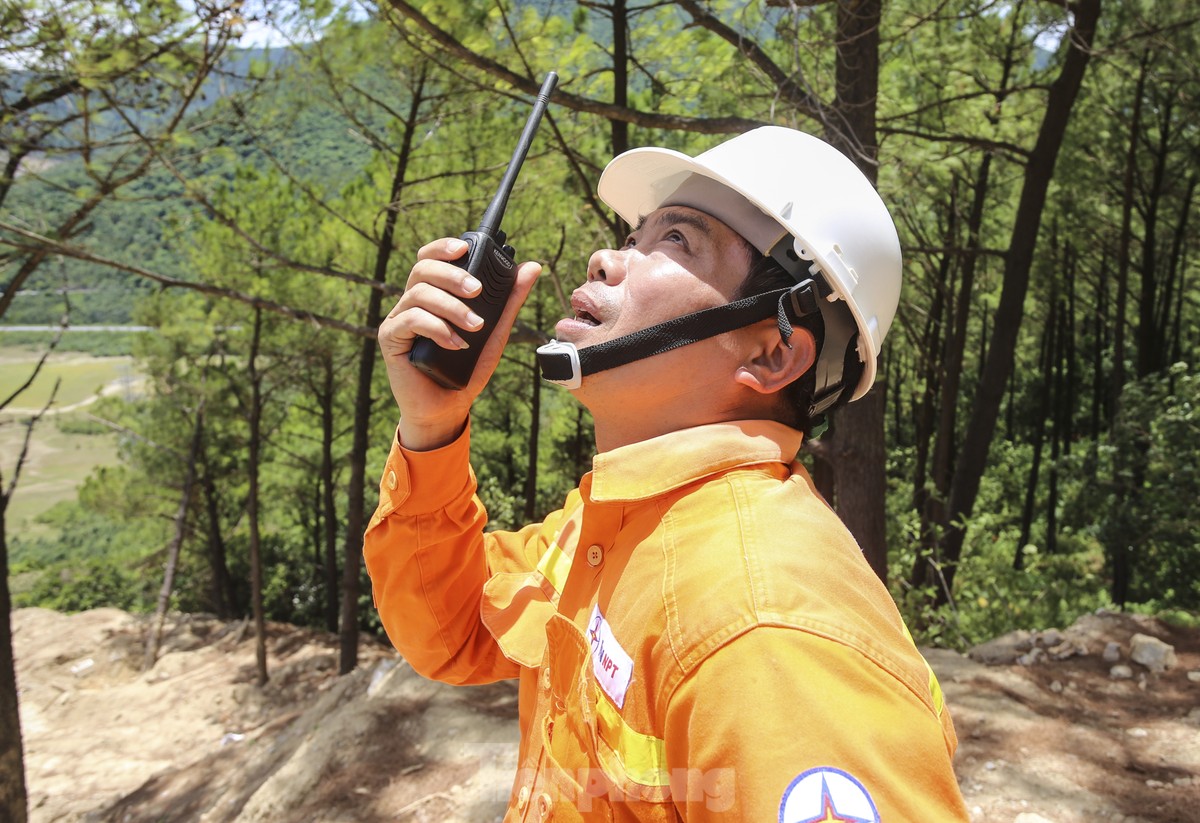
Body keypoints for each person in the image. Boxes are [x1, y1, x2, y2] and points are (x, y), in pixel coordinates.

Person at [365, 126, 969, 822]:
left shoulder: (765, 625)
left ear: (772, 352)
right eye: (634, 235)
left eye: (676, 239)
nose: (606, 256)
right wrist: (433, 427)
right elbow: (452, 627)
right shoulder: (616, 523)